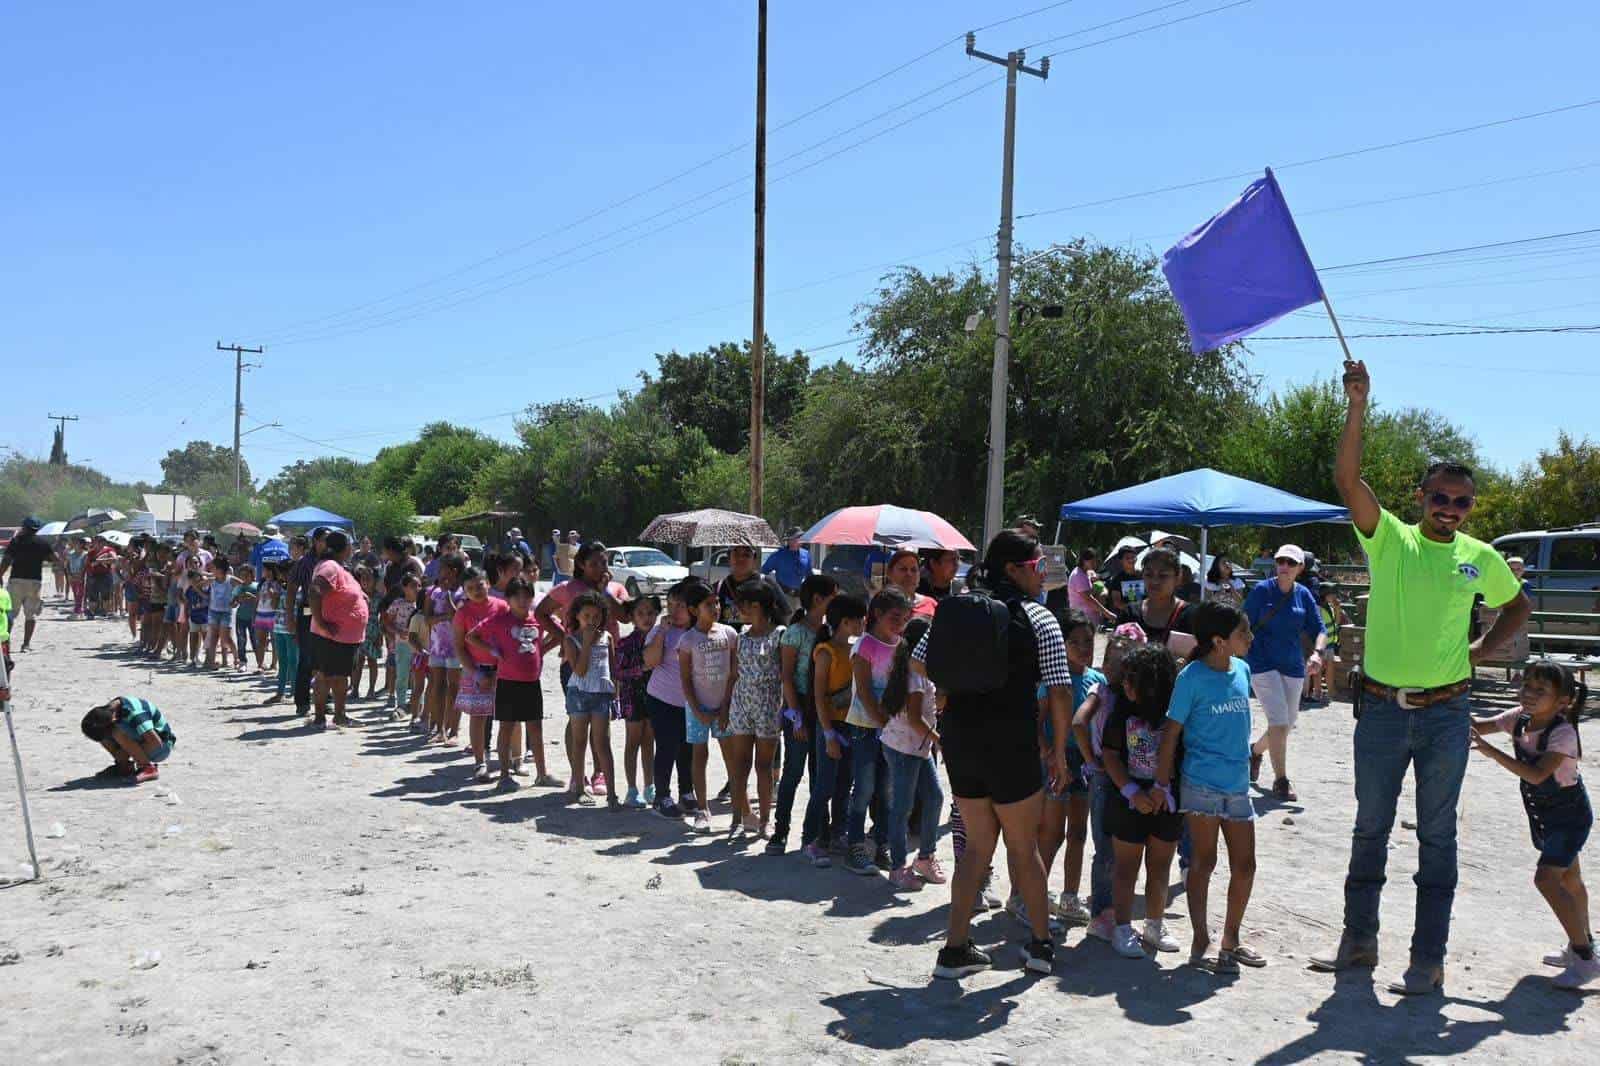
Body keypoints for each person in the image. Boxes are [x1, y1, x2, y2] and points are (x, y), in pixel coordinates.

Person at [1312, 357, 1532, 995]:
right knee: (1369, 829)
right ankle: (1359, 944)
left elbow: (1517, 604)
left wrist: (1485, 650)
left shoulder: (1480, 557)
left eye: (1462, 501)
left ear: (1470, 507)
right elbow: (1347, 478)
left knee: (1438, 837)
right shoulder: (1392, 541)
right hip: (1381, 709)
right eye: (1440, 497)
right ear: (1421, 498)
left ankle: (1427, 959)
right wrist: (1358, 405)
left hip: (1445, 713)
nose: (1451, 509)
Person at [922, 530, 1071, 980]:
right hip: (1012, 742)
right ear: (1013, 568)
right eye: (1034, 564)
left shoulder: (960, 609)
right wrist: (1060, 751)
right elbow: (1061, 689)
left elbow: (920, 660)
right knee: (1023, 847)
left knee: (977, 848)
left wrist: (955, 690)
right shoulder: (1039, 618)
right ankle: (1041, 947)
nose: (1041, 572)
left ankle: (954, 950)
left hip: (962, 742)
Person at [1470, 660, 1595, 989]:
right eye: (1527, 686)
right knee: (1571, 880)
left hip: (1569, 817)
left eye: (1541, 691)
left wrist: (1492, 753)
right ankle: (1583, 944)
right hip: (1544, 817)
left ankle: (1585, 959)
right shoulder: (1517, 718)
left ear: (1563, 701)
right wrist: (1449, 702)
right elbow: (1477, 726)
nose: (1529, 694)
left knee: (1547, 879)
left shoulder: (1563, 733)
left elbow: (1539, 776)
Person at [1157, 601, 1265, 973]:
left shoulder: (1243, 670)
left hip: (1237, 786)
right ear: (1219, 641)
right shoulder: (1191, 678)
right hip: (1200, 784)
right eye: (1242, 633)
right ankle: (1201, 938)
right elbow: (1171, 732)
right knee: (1204, 862)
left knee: (1246, 865)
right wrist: (1161, 782)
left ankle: (1230, 940)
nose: (1250, 638)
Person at [1100, 642, 1183, 960]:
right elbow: (1109, 754)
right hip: (1128, 800)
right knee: (1126, 868)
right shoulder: (1121, 710)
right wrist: (1132, 791)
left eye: (1132, 678)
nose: (1125, 684)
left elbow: (1180, 754)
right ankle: (1122, 928)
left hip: (1167, 801)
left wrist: (1163, 790)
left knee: (1160, 866)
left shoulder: (1175, 713)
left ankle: (1154, 924)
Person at [1242, 544, 1326, 803]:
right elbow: (1242, 622)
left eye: (1291, 562)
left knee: (1286, 725)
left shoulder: (1304, 595)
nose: (1284, 567)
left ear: (1300, 568)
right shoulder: (1261, 591)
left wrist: (1317, 653)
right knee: (1279, 722)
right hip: (1261, 662)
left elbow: (1320, 629)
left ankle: (1254, 752)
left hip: (1292, 665)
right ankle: (1281, 780)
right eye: (1281, 561)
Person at [1071, 629, 1139, 942]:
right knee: (1105, 847)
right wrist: (1091, 759)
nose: (1115, 669)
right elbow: (1078, 722)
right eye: (1111, 661)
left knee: (1120, 845)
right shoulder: (1101, 689)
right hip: (1103, 777)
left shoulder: (1133, 694)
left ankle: (1113, 908)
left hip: (1125, 775)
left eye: (1124, 663)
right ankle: (1101, 913)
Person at [842, 587, 912, 875]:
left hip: (892, 728)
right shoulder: (864, 646)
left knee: (886, 790)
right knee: (865, 787)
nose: (901, 623)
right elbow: (866, 692)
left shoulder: (902, 645)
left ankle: (881, 842)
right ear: (877, 614)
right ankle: (855, 845)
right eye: (895, 616)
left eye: (905, 617)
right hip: (866, 726)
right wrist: (883, 722)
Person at [1040, 609, 1102, 926]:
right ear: (1062, 644)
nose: (1082, 647)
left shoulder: (1098, 680)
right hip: (1057, 761)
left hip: (1086, 763)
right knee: (1052, 834)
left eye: (1088, 641)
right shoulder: (1053, 680)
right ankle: (1031, 896)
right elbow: (1036, 722)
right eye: (1074, 641)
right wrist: (1050, 754)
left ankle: (1069, 898)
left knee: (1078, 832)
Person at [468, 576, 557, 790]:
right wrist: (492, 650)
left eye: (527, 596)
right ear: (508, 598)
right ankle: (505, 775)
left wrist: (541, 650)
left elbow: (559, 634)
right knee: (506, 729)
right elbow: (472, 636)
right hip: (507, 683)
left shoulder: (537, 619)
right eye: (517, 596)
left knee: (536, 728)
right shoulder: (499, 619)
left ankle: (542, 774)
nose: (522, 600)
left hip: (532, 682)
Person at [771, 574, 838, 856]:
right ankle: (780, 831)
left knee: (819, 776)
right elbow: (786, 677)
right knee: (793, 772)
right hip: (798, 710)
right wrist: (795, 716)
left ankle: (819, 832)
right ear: (818, 600)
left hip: (822, 710)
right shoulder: (795, 632)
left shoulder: (832, 631)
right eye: (833, 596)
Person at [879, 615, 946, 892]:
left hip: (915, 747)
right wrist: (939, 740)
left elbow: (933, 704)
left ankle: (925, 858)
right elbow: (917, 719)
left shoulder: (920, 668)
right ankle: (898, 867)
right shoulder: (915, 674)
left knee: (934, 797)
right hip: (905, 749)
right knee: (902, 808)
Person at [803, 594, 867, 867]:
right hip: (830, 725)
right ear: (845, 622)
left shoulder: (854, 650)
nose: (864, 623)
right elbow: (818, 696)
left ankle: (837, 834)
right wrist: (828, 734)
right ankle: (812, 838)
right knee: (825, 785)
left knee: (844, 785)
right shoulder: (826, 652)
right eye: (860, 619)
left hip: (850, 725)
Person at [721, 580, 786, 838]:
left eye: (742, 605)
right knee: (740, 765)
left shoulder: (779, 634)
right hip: (741, 705)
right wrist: (725, 707)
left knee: (764, 766)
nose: (738, 610)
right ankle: (738, 819)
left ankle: (765, 821)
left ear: (756, 606)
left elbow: (786, 673)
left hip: (769, 706)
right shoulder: (741, 636)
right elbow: (733, 675)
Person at [678, 581, 736, 831]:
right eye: (708, 604)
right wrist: (698, 709)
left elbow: (734, 672)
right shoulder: (687, 640)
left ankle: (740, 809)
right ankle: (703, 809)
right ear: (693, 610)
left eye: (717, 602)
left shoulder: (729, 634)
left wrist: (725, 706)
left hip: (724, 707)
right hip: (697, 709)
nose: (716, 608)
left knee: (731, 757)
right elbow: (686, 679)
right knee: (699, 757)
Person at [644, 580, 698, 819]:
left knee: (688, 749)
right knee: (666, 747)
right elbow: (650, 662)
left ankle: (686, 792)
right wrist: (662, 633)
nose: (674, 611)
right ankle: (661, 796)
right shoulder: (661, 630)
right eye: (671, 604)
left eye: (681, 606)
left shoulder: (700, 632)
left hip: (690, 702)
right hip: (662, 698)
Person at [562, 590, 619, 809]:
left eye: (596, 617)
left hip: (601, 695)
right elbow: (580, 670)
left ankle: (612, 793)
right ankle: (579, 788)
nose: (591, 621)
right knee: (579, 742)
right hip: (579, 694)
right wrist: (586, 643)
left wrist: (616, 693)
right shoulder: (571, 640)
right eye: (586, 616)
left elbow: (612, 669)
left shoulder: (607, 637)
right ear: (577, 616)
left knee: (602, 743)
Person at [308, 530, 368, 730]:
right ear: (344, 547)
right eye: (351, 544)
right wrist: (322, 623)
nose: (353, 548)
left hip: (342, 636)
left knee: (338, 676)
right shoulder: (330, 567)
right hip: (331, 635)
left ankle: (338, 715)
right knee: (326, 675)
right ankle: (322, 717)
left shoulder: (338, 567)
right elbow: (315, 591)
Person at [614, 595, 658, 809]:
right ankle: (632, 790)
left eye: (650, 612)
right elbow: (619, 673)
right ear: (631, 617)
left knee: (649, 742)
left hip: (656, 698)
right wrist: (640, 669)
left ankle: (650, 787)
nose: (646, 617)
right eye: (640, 613)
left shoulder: (660, 640)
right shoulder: (625, 643)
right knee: (633, 742)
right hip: (632, 698)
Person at [81, 695, 176, 784]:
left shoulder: (134, 713)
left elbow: (155, 742)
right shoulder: (109, 711)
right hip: (144, 740)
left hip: (162, 746)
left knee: (116, 732)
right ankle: (124, 767)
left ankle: (147, 768)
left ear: (113, 719)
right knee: (104, 732)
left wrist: (130, 753)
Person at [1115, 547, 1194, 648]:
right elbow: (1114, 655)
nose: (1154, 581)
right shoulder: (1129, 613)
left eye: (1163, 576)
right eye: (1149, 574)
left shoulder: (1191, 617)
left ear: (1178, 578)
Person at [424, 554, 465, 743]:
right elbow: (428, 619)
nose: (439, 573)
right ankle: (439, 728)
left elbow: (459, 618)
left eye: (442, 569)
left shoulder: (463, 592)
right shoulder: (434, 592)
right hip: (437, 646)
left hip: (456, 647)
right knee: (438, 687)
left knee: (454, 688)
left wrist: (448, 596)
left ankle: (454, 730)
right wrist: (442, 617)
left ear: (453, 571)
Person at [0, 517, 54, 651]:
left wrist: (0, 574)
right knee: (30, 615)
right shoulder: (43, 543)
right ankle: (26, 645)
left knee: (10, 614)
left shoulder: (16, 541)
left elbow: (6, 560)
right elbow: (54, 559)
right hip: (34, 582)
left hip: (16, 580)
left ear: (24, 527)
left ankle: (5, 643)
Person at [382, 574, 420, 720]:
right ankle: (401, 705)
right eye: (413, 586)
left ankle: (417, 704)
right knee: (402, 675)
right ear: (404, 588)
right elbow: (387, 621)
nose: (417, 589)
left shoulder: (422, 603)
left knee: (418, 676)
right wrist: (398, 631)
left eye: (418, 585)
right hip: (403, 645)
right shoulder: (398, 603)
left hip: (419, 646)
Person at [1310, 587, 1347, 703]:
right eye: (1332, 595)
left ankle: (1331, 691)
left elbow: (1336, 622)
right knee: (1318, 668)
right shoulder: (1318, 608)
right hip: (1320, 643)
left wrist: (1337, 608)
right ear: (1325, 595)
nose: (1334, 597)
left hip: (1330, 642)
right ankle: (1317, 692)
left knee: (1330, 667)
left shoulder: (1330, 607)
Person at [716, 544, 763, 625]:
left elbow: (781, 621)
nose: (741, 558)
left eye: (746, 555)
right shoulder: (718, 587)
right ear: (729, 558)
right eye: (736, 554)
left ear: (754, 560)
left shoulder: (766, 584)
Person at [883, 549, 937, 620]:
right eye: (903, 569)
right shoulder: (881, 604)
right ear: (889, 573)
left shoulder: (931, 604)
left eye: (914, 570)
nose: (909, 574)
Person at [1067, 549, 1115, 624]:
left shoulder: (1086, 573)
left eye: (1095, 561)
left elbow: (1098, 588)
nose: (1095, 564)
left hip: (1089, 619)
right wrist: (1108, 614)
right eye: (1092, 562)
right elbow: (1089, 600)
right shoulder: (1078, 576)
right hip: (1082, 620)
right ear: (1084, 561)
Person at [761, 528, 812, 595]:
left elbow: (809, 575)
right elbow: (763, 572)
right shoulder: (778, 555)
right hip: (782, 595)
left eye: (801, 537)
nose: (801, 539)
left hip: (799, 596)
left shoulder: (806, 554)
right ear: (789, 540)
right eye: (798, 537)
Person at [1104, 545, 1142, 614]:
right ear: (1121, 560)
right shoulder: (1117, 580)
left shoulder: (1143, 575)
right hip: (1128, 616)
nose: (1131, 560)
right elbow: (1117, 602)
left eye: (1133, 557)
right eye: (1127, 558)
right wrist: (1133, 610)